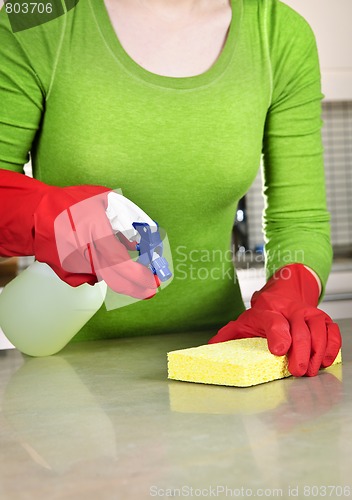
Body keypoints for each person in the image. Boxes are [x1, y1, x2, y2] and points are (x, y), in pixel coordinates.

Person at [0, 0, 341, 376]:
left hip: (218, 358)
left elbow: (301, 221)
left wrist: (288, 294)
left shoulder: (277, 33)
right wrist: (43, 213)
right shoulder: (34, 16)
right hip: (67, 369)